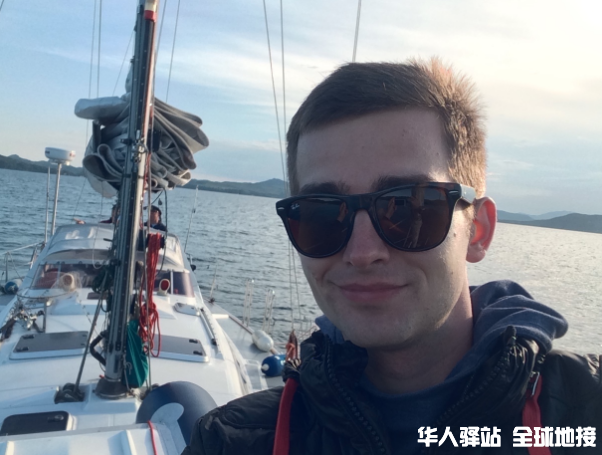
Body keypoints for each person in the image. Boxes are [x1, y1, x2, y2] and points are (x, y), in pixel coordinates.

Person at [183, 59, 601, 454]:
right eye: (321, 214)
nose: (362, 253)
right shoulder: (231, 442)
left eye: (409, 208)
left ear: (477, 230)